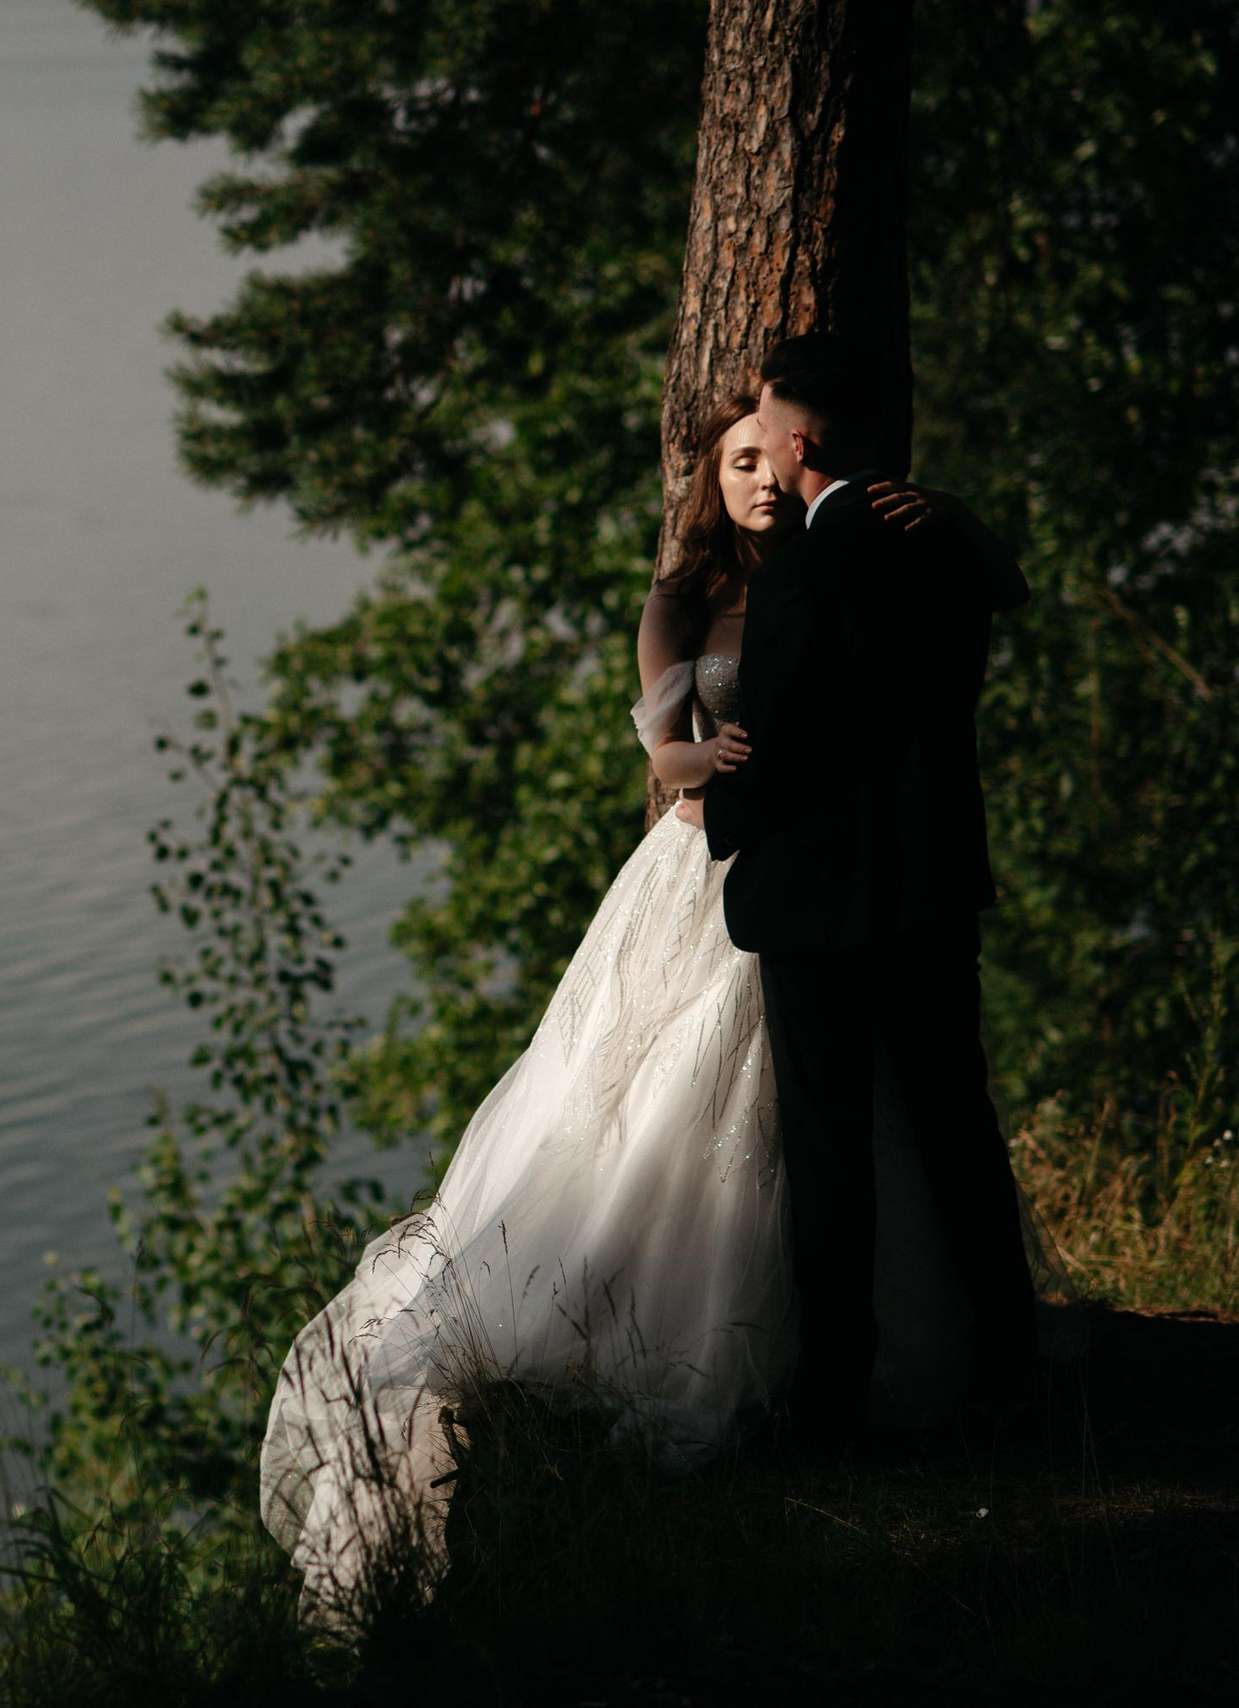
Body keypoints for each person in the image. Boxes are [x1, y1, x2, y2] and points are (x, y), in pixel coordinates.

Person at [257, 397, 983, 1615]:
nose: (758, 478)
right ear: (709, 479)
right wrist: (720, 758)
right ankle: (647, 1327)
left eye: (772, 457)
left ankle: (830, 1353)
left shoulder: (838, 569)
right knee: (650, 1104)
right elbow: (663, 752)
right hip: (691, 875)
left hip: (799, 871)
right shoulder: (682, 596)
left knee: (803, 1115)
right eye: (736, 462)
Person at [705, 333, 1040, 1445]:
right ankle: (1011, 1365)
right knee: (957, 1128)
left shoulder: (802, 568)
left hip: (816, 904)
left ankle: (836, 1400)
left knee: (829, 1152)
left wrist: (722, 833)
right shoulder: (940, 546)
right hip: (933, 881)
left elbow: (775, 741)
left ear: (798, 441)